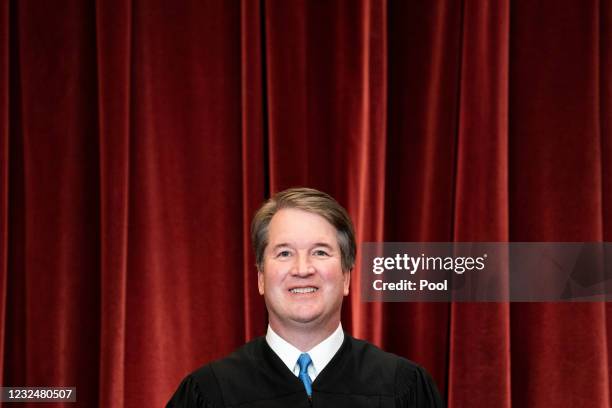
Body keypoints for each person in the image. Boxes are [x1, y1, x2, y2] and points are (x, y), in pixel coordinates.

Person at [167, 187, 444, 407]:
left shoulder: (403, 388)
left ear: (346, 276)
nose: (302, 269)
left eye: (320, 252)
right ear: (261, 277)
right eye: (284, 253)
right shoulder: (209, 394)